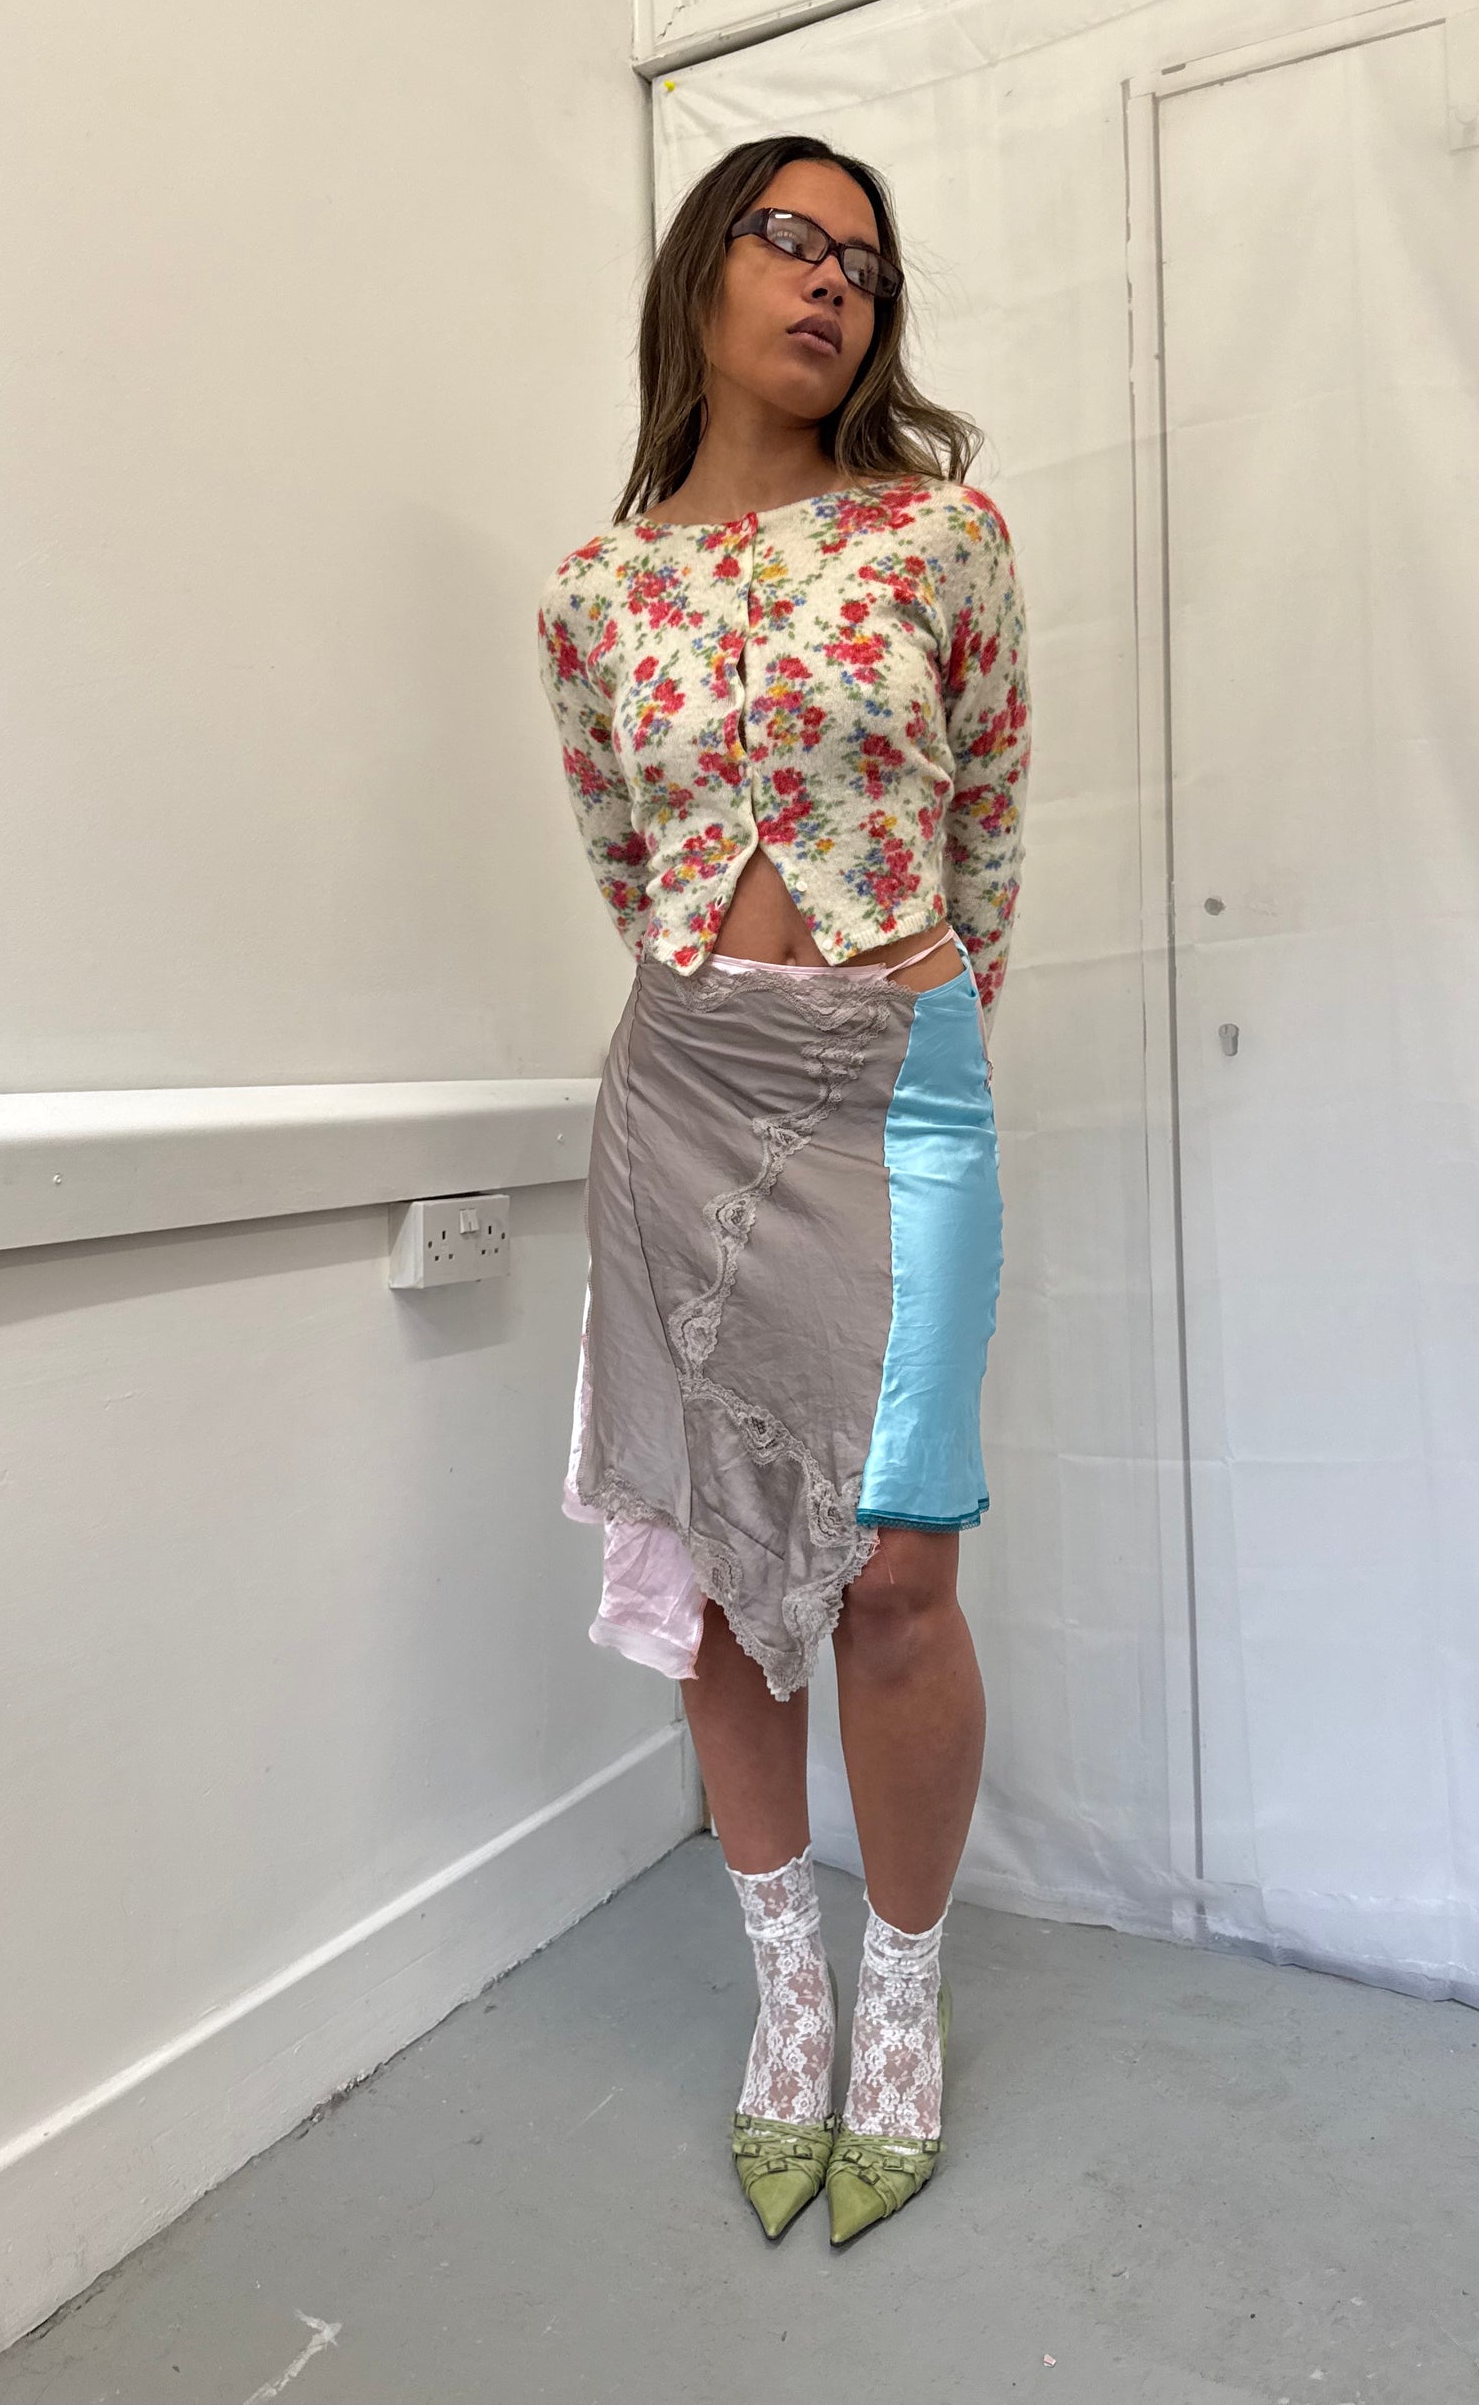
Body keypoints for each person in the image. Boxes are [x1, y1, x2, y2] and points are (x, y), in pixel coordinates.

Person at [535, 133, 1030, 2247]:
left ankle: (900, 1993)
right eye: (792, 240)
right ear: (703, 272)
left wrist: (916, 1005)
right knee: (726, 1564)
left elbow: (989, 822)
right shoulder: (592, 594)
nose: (833, 284)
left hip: (898, 1089)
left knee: (896, 1568)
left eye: (866, 264)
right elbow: (620, 853)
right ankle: (786, 1994)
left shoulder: (941, 537)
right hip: (681, 1090)